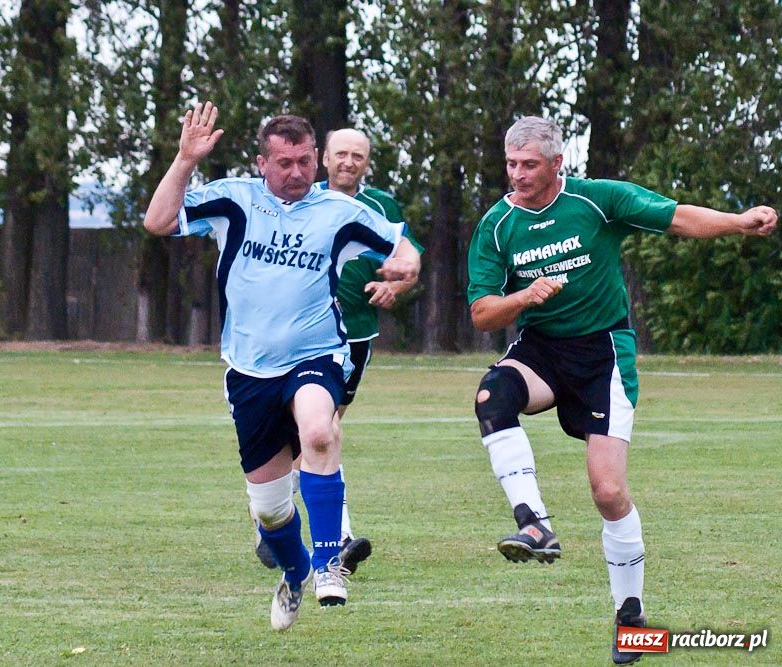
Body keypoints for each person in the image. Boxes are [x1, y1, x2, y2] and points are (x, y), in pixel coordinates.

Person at [466, 116, 776, 664]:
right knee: (493, 394)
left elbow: (676, 218)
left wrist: (739, 222)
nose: (517, 174)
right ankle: (533, 523)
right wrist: (523, 299)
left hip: (602, 352)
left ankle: (630, 617)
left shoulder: (597, 201)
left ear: (557, 163)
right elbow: (483, 313)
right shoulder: (496, 224)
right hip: (541, 348)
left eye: (529, 165)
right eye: (510, 164)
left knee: (608, 492)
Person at [144, 102, 421, 631]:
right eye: (285, 163)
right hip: (249, 370)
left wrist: (404, 263)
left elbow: (403, 247)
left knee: (320, 432)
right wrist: (184, 160)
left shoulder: (339, 211)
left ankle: (327, 563)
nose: (297, 172)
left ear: (316, 159)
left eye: (305, 161)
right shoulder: (233, 200)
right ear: (261, 163)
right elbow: (158, 221)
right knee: (271, 512)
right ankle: (294, 574)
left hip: (316, 353)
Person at [252, 128, 425, 574]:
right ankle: (338, 537)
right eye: (341, 154)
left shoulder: (380, 206)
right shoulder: (299, 200)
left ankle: (270, 525)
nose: (349, 162)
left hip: (356, 336)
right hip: (303, 339)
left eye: (358, 156)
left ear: (367, 162)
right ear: (324, 158)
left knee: (315, 436)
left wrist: (396, 284)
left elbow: (408, 262)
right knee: (320, 430)